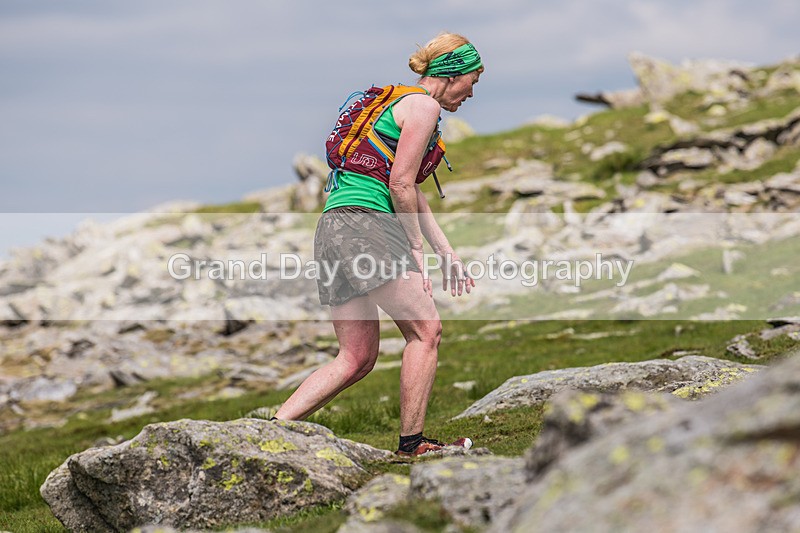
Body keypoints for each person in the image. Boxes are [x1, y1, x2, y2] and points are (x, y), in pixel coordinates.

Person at [274, 32, 483, 457]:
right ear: (450, 74)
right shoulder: (424, 106)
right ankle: (412, 444)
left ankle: (269, 431)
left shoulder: (396, 103)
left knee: (356, 356)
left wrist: (446, 252)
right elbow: (401, 183)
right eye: (472, 82)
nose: (472, 93)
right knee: (426, 331)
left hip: (334, 227)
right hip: (369, 227)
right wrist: (417, 251)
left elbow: (411, 190)